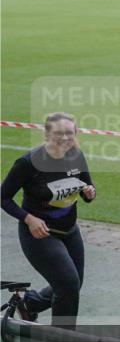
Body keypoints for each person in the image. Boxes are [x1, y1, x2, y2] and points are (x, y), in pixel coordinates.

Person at [1, 112, 96, 329]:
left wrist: (89, 192)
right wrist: (28, 219)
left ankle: (30, 304)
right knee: (68, 284)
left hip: (70, 231)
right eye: (58, 133)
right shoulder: (28, 163)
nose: (64, 138)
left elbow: (86, 189)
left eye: (69, 133)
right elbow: (3, 197)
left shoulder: (76, 156)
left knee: (73, 284)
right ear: (46, 134)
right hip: (38, 234)